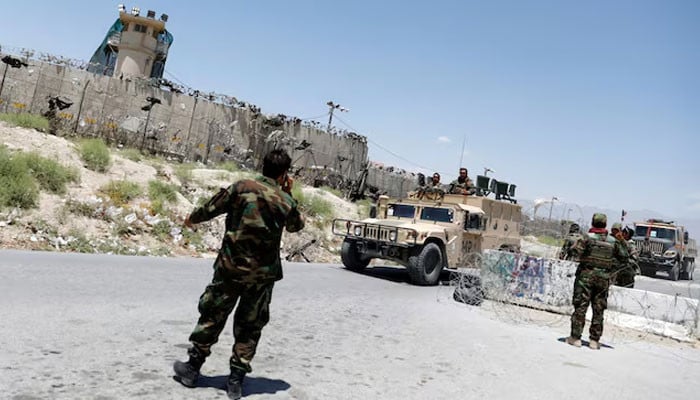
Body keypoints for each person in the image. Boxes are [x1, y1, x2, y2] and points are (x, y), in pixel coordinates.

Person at [173, 149, 305, 399]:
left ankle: (192, 369)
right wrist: (288, 193)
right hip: (262, 277)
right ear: (284, 174)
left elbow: (211, 208)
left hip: (230, 269)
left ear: (263, 165)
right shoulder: (285, 201)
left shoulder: (242, 187)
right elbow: (296, 226)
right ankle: (235, 382)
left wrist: (191, 219)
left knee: (212, 315)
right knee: (250, 326)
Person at [566, 213, 628, 350]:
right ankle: (594, 341)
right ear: (605, 224)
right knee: (598, 310)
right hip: (603, 279)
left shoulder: (587, 238)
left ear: (593, 223)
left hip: (585, 278)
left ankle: (575, 338)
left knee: (581, 307)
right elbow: (624, 257)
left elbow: (574, 253)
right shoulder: (613, 241)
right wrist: (621, 241)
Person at [611, 223, 636, 288]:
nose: (623, 234)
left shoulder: (628, 243)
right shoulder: (610, 239)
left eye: (625, 233)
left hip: (621, 265)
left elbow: (632, 256)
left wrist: (622, 240)